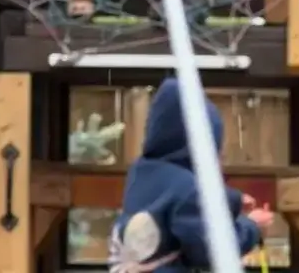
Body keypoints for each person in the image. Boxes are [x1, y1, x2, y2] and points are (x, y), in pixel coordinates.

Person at [110, 78, 274, 273]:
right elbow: (211, 250)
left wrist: (235, 201)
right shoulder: (188, 188)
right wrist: (252, 226)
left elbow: (173, 202)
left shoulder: (141, 171)